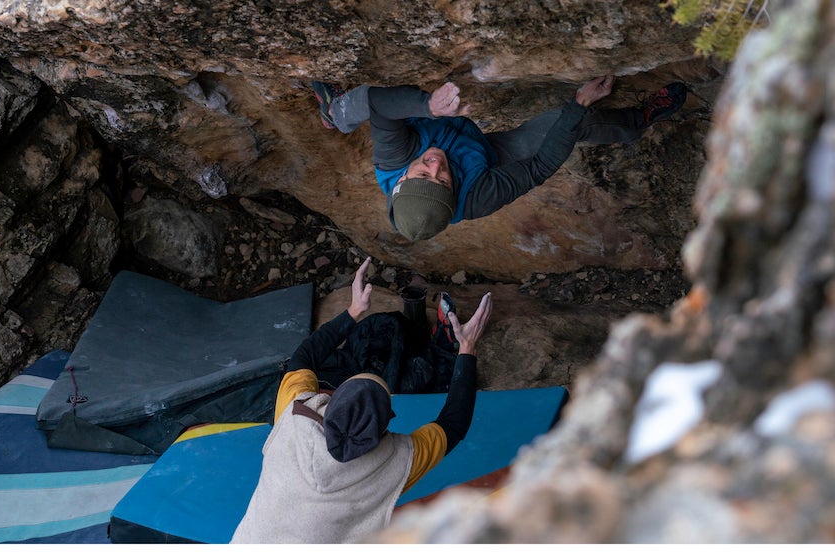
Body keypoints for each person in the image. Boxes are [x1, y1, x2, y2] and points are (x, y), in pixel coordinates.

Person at [231, 257, 492, 544]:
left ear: (329, 399)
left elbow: (303, 356)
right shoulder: (396, 462)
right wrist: (467, 348)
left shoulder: (293, 415)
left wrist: (353, 311)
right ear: (383, 430)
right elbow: (453, 424)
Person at [310, 76, 687, 241]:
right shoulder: (476, 198)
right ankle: (639, 120)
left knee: (363, 100)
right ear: (453, 194)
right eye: (442, 179)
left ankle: (335, 111)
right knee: (570, 123)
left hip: (442, 129)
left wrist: (428, 105)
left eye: (424, 170)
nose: (437, 164)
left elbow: (380, 105)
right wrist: (577, 106)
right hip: (488, 156)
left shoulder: (394, 157)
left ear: (402, 181)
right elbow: (539, 167)